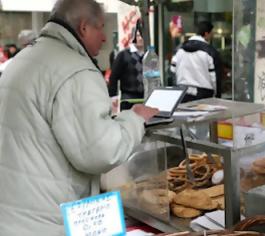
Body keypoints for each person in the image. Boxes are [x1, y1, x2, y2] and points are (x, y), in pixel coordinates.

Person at [0, 0, 158, 235]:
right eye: (101, 28)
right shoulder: (76, 70)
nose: (105, 37)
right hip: (48, 220)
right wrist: (134, 119)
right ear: (84, 27)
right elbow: (100, 151)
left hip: (12, 214)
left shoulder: (25, 58)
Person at [170, 21, 222, 102]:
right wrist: (217, 96)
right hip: (204, 94)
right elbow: (214, 77)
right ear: (206, 34)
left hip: (182, 93)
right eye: (211, 33)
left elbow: (173, 70)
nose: (212, 36)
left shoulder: (179, 49)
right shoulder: (210, 52)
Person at [108, 19, 145, 110]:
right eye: (137, 36)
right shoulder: (123, 55)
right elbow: (113, 77)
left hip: (145, 98)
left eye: (142, 36)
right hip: (128, 99)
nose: (140, 39)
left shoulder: (149, 55)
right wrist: (113, 97)